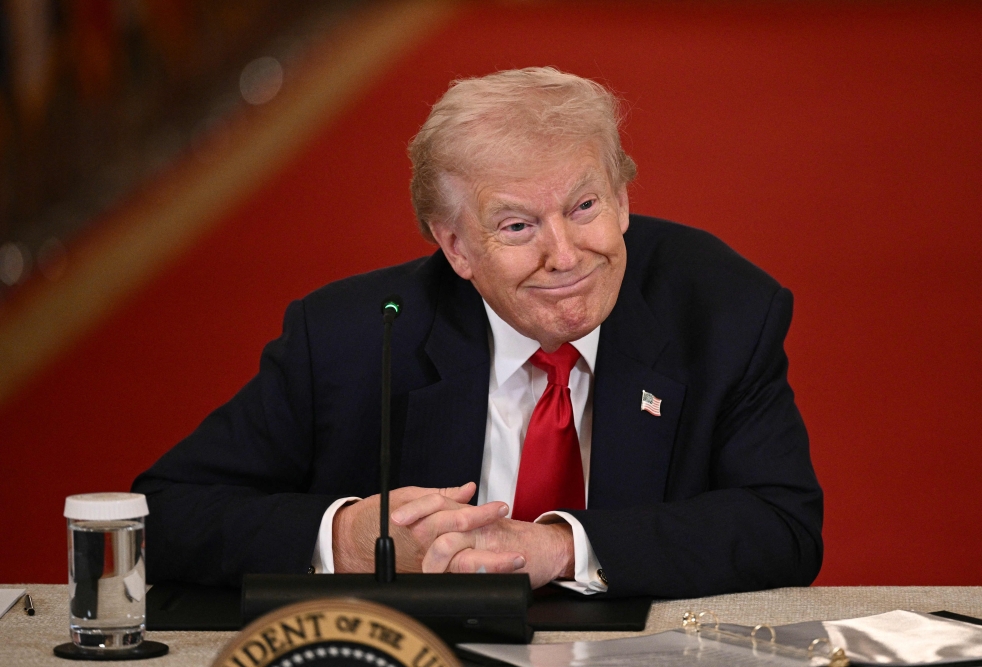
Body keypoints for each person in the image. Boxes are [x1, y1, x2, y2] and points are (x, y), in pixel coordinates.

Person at [133, 67, 823, 599]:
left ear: (622, 199)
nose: (565, 255)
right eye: (518, 225)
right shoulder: (349, 337)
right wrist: (342, 538)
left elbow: (783, 525)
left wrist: (560, 547)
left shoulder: (723, 309)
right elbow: (162, 515)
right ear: (455, 246)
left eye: (585, 207)